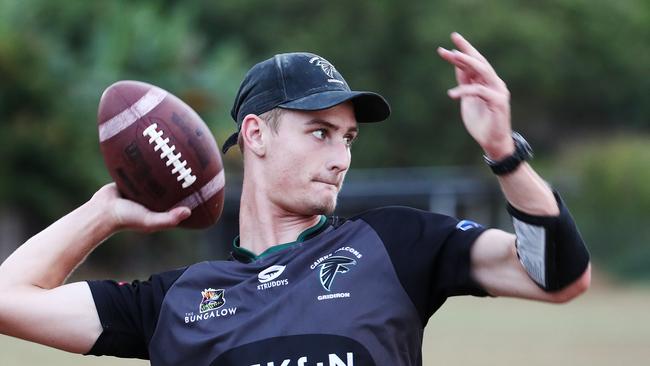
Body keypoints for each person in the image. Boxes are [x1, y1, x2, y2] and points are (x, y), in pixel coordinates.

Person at [0, 33, 590, 365]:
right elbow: (8, 300)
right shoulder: (176, 302)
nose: (341, 157)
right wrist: (106, 211)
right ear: (256, 134)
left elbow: (558, 276)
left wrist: (504, 155)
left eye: (349, 138)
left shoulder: (395, 245)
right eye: (320, 133)